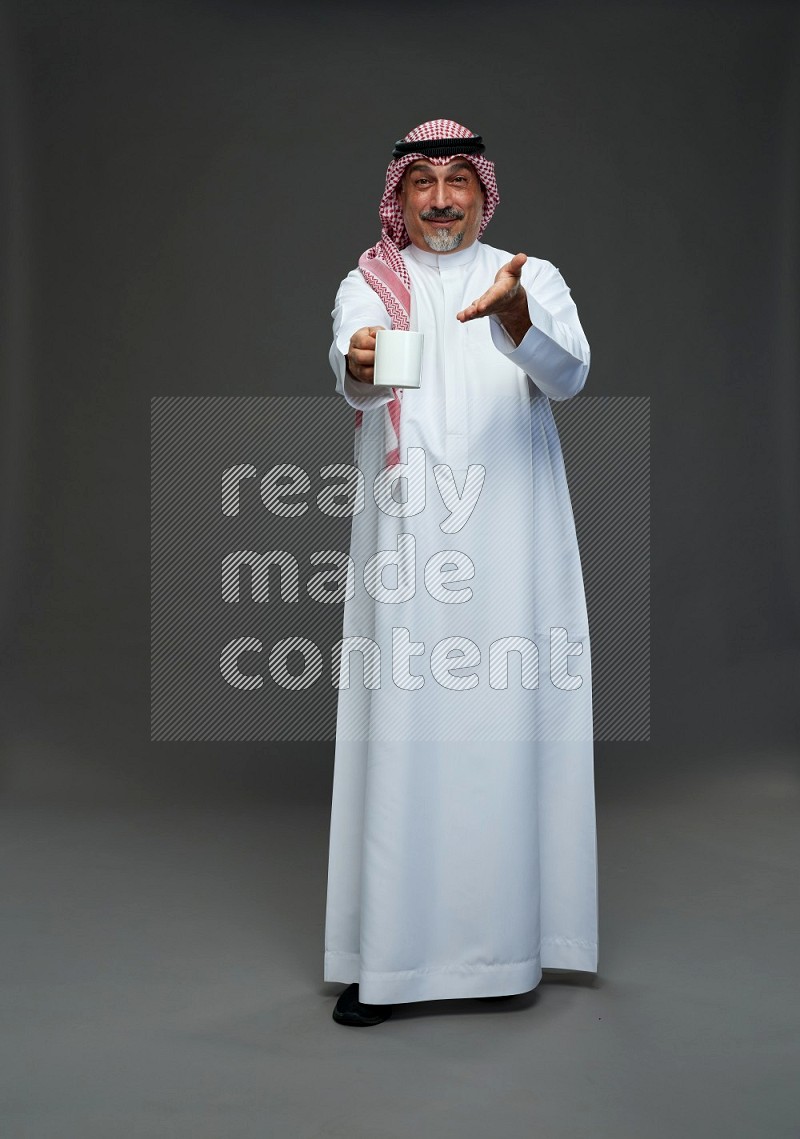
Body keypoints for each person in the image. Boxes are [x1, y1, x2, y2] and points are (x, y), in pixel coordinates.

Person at [324, 119, 598, 1027]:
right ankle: (391, 966)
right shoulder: (372, 282)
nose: (442, 198)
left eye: (458, 181)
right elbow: (358, 365)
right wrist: (357, 364)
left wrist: (517, 321)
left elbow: (568, 376)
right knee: (405, 732)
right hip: (409, 547)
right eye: (422, 184)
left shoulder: (532, 277)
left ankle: (508, 950)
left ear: (484, 190)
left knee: (505, 730)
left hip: (511, 543)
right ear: (399, 198)